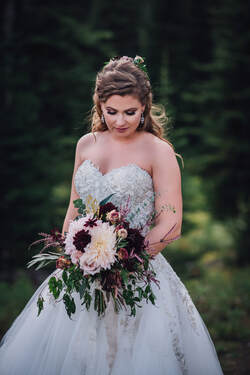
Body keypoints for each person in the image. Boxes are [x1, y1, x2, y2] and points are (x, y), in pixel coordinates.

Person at [0, 55, 224, 375]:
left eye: (130, 112)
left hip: (137, 274)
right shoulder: (86, 144)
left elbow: (170, 224)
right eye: (111, 112)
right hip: (82, 271)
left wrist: (125, 261)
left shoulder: (157, 150)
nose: (120, 121)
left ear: (144, 107)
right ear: (99, 105)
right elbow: (74, 207)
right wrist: (70, 254)